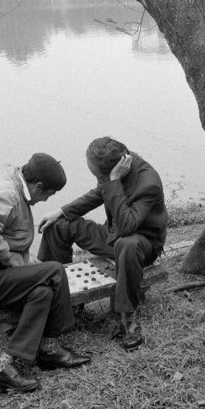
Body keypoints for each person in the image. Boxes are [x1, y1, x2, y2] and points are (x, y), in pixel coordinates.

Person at [0, 153, 91, 395]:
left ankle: (4, 368)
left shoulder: (16, 189)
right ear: (38, 186)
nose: (48, 198)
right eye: (49, 194)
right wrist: (9, 259)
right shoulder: (7, 194)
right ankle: (54, 344)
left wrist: (24, 265)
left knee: (43, 291)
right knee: (55, 270)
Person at [38, 137, 167, 351]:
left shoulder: (148, 183)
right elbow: (99, 193)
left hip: (142, 244)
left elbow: (127, 227)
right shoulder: (114, 172)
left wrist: (113, 182)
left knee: (127, 244)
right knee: (57, 226)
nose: (98, 180)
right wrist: (60, 212)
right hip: (113, 234)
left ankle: (128, 319)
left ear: (114, 170)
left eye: (99, 176)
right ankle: (60, 298)